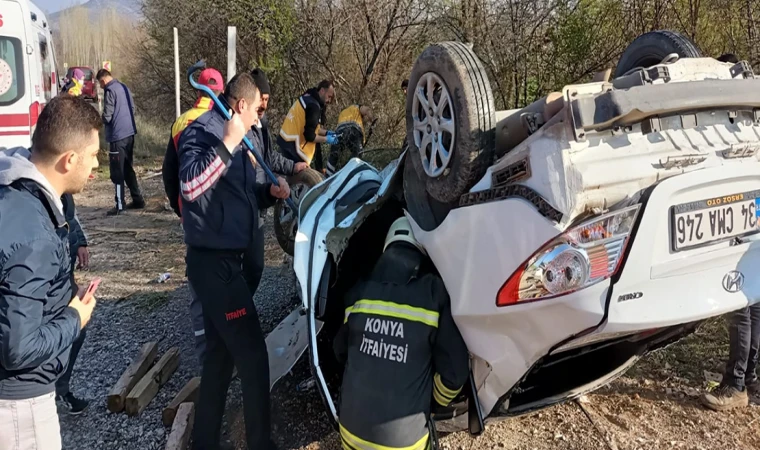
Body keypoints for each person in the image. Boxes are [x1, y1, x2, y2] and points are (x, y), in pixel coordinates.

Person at [178, 72, 290, 450]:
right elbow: (191, 188)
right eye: (257, 108)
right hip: (213, 266)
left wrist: (268, 194)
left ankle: (205, 442)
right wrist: (228, 142)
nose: (261, 116)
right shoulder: (203, 133)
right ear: (241, 105)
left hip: (232, 260)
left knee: (219, 359)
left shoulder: (245, 138)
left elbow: (238, 198)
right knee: (254, 358)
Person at [0, 95, 99, 450]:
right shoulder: (35, 233)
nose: (97, 165)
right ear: (69, 159)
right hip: (19, 406)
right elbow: (19, 348)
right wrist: (75, 316)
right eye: (92, 155)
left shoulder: (13, 191)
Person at [334, 216, 470, 450]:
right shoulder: (433, 293)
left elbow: (340, 353)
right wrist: (428, 402)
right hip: (404, 443)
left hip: (349, 433)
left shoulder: (357, 292)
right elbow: (455, 373)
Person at [162, 67, 224, 366]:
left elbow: (169, 174)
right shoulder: (224, 121)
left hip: (193, 216)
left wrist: (179, 208)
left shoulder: (180, 122)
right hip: (220, 217)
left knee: (199, 284)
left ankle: (204, 350)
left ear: (197, 91)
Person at [247, 68, 309, 287]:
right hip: (245, 202)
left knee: (254, 266)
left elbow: (268, 156)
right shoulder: (240, 128)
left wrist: (293, 166)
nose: (264, 105)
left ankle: (241, 309)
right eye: (261, 99)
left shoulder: (261, 125)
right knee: (247, 265)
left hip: (259, 203)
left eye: (267, 99)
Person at [55, 193, 92, 415]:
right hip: (49, 275)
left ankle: (60, 389)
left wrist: (79, 242)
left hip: (63, 272)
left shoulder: (61, 189)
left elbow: (69, 215)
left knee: (78, 329)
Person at [96, 69, 144, 216]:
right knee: (128, 167)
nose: (101, 87)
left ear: (103, 81)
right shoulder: (124, 87)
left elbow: (108, 116)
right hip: (130, 133)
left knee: (117, 171)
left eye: (100, 85)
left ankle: (119, 204)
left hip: (117, 136)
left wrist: (98, 122)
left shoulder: (110, 91)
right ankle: (138, 199)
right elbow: (133, 108)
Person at [277, 80, 338, 173]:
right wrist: (326, 139)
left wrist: (326, 132)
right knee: (293, 183)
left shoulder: (307, 98)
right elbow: (310, 136)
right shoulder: (314, 107)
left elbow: (311, 126)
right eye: (329, 96)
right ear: (322, 91)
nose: (329, 101)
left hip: (285, 141)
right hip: (294, 150)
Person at [325, 104, 374, 176]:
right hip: (353, 130)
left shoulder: (343, 113)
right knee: (357, 154)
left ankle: (328, 175)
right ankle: (348, 174)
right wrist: (372, 120)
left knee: (334, 154)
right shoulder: (356, 108)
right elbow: (366, 110)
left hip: (339, 132)